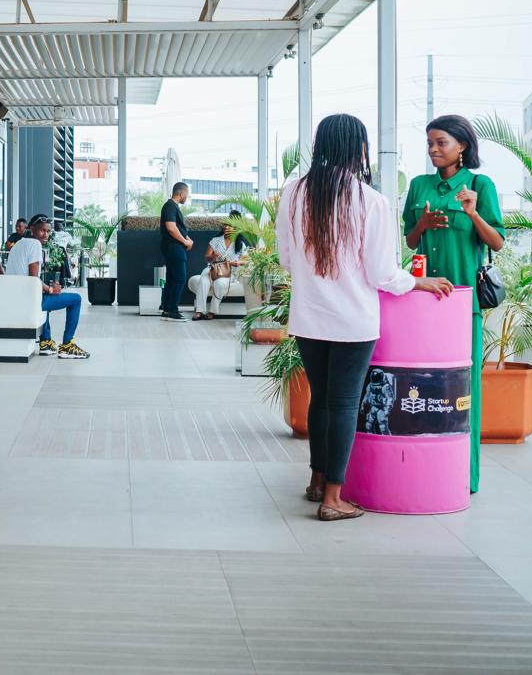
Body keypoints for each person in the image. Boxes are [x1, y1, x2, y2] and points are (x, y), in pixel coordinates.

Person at [277, 114, 452, 521]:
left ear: (321, 145)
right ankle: (333, 499)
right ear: (359, 148)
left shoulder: (292, 194)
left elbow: (287, 260)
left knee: (321, 399)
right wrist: (417, 282)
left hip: (308, 319)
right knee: (343, 403)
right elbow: (382, 274)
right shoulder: (370, 200)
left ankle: (318, 480)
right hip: (353, 321)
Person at [404, 114, 504, 494]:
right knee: (422, 387)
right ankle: (425, 468)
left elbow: (496, 243)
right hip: (423, 300)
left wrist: (473, 212)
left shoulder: (479, 185)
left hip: (462, 305)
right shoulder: (418, 186)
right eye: (429, 143)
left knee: (465, 390)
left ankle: (465, 476)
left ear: (462, 145)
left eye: (441, 143)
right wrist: (423, 225)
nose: (433, 150)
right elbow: (411, 243)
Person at [6, 215, 90, 359]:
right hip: (28, 301)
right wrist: (51, 289)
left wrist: (48, 290)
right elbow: (33, 280)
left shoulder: (18, 244)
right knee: (76, 299)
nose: (46, 235)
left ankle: (46, 342)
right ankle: (67, 345)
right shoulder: (35, 245)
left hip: (16, 297)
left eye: (48, 231)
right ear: (32, 229)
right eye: (42, 231)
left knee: (45, 294)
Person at [192, 212, 247, 321]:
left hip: (228, 272)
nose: (226, 227)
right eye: (225, 225)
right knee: (204, 280)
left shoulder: (240, 244)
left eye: (229, 226)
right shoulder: (216, 240)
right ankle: (199, 311)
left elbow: (245, 261)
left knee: (220, 283)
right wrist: (214, 257)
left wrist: (236, 263)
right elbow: (207, 257)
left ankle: (212, 311)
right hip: (213, 269)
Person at [159, 182, 193, 321]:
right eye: (187, 194)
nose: (187, 197)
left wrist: (188, 239)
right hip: (174, 248)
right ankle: (173, 310)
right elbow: (171, 228)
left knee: (172, 279)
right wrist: (185, 242)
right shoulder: (170, 207)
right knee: (180, 278)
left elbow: (178, 227)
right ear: (181, 193)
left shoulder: (172, 207)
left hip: (174, 248)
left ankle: (167, 310)